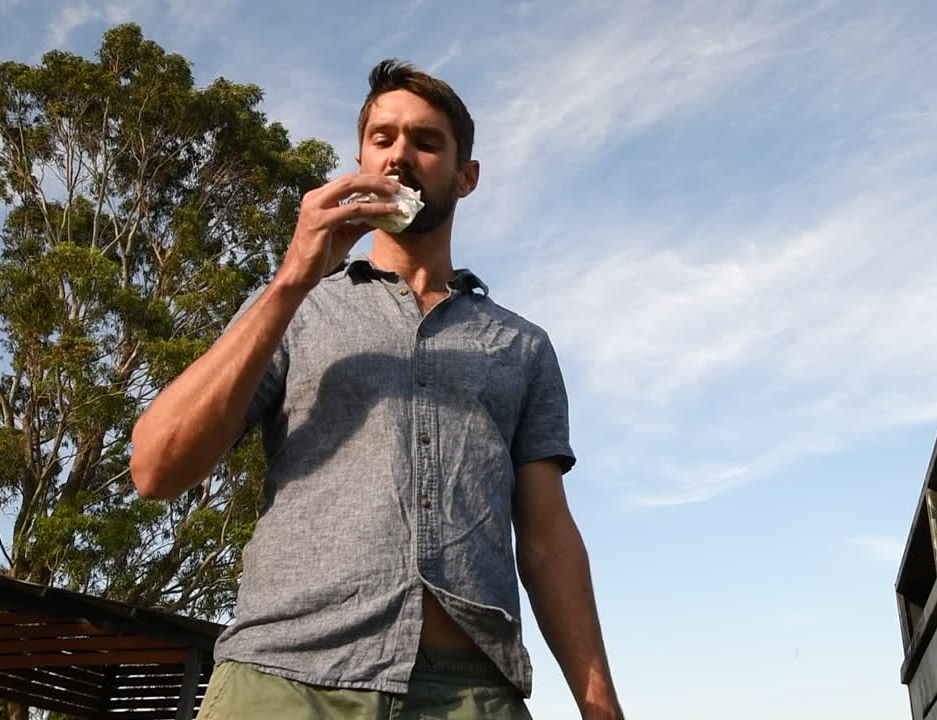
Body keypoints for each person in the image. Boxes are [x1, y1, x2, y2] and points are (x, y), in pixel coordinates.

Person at [129, 59, 623, 720]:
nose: (399, 155)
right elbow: (157, 469)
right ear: (360, 159)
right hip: (283, 679)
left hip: (468, 692)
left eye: (425, 141)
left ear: (465, 175)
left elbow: (548, 536)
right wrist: (290, 281)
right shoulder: (295, 308)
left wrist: (601, 705)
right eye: (382, 138)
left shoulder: (521, 346)